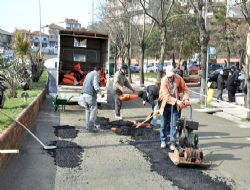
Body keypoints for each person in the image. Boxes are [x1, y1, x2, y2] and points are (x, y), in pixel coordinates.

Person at [158, 65, 189, 151]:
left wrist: (185, 98)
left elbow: (185, 89)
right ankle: (163, 140)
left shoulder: (178, 78)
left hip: (175, 105)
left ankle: (172, 142)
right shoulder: (163, 80)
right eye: (169, 76)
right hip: (165, 104)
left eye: (172, 75)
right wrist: (177, 101)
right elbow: (166, 96)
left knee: (173, 125)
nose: (170, 77)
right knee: (163, 124)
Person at [81, 66, 103, 131]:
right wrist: (100, 93)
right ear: (99, 70)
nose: (100, 73)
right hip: (90, 96)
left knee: (87, 110)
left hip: (84, 95)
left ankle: (87, 126)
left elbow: (83, 83)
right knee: (93, 110)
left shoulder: (88, 74)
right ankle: (91, 127)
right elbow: (96, 85)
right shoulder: (95, 74)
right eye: (100, 72)